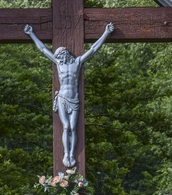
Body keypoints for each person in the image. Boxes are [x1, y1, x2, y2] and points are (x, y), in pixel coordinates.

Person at [24, 22, 114, 168]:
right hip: (62, 98)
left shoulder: (77, 62)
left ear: (65, 54)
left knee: (73, 127)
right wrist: (31, 34)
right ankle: (67, 154)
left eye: (61, 55)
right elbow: (43, 49)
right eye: (58, 56)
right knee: (66, 127)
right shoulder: (59, 64)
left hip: (74, 98)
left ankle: (72, 152)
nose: (59, 57)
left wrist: (106, 33)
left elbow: (93, 49)